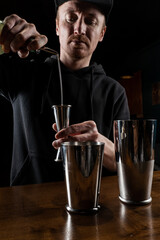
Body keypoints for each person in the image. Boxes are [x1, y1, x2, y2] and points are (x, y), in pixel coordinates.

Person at [0, 0, 130, 186]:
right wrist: (2, 33)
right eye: (70, 18)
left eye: (91, 21)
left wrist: (105, 148)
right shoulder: (23, 74)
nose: (79, 29)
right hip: (26, 209)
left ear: (102, 33)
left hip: (92, 207)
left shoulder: (114, 92)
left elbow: (130, 167)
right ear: (57, 27)